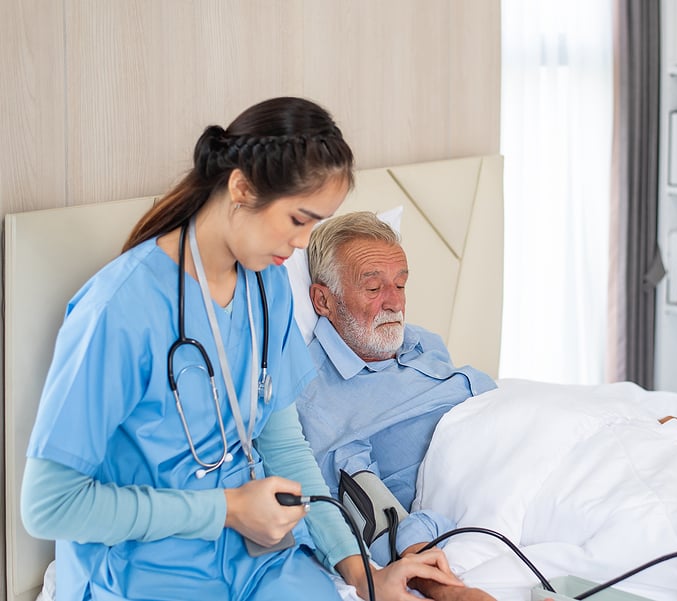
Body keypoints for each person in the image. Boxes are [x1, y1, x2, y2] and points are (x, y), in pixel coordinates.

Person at [20, 97, 463, 601]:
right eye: (298, 219)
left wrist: (363, 576)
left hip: (254, 562)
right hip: (145, 571)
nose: (301, 244)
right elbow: (48, 504)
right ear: (241, 187)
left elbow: (284, 447)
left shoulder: (266, 287)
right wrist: (226, 508)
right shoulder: (119, 311)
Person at [295, 212, 677, 596]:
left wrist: (624, 424)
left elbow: (506, 414)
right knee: (671, 538)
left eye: (400, 285)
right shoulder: (319, 395)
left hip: (547, 444)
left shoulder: (421, 342)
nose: (394, 302)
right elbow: (365, 508)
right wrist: (435, 580)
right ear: (322, 301)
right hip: (498, 482)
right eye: (372, 287)